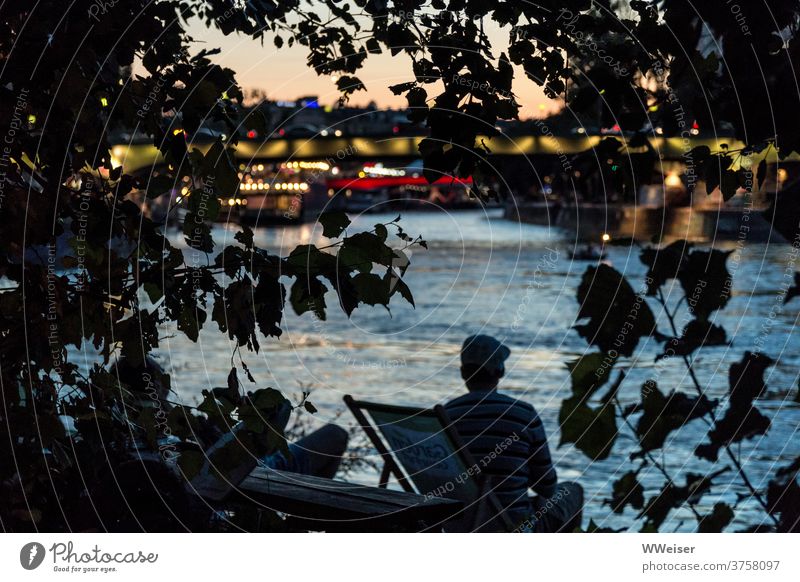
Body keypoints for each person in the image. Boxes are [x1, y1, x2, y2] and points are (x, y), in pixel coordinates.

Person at [444, 334, 583, 532]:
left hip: (459, 526)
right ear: (500, 371)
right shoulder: (523, 414)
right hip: (514, 527)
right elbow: (547, 487)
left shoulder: (446, 415)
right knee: (573, 491)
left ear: (463, 373)